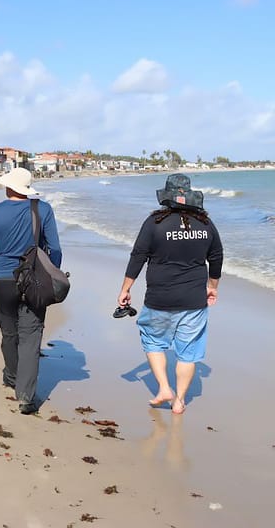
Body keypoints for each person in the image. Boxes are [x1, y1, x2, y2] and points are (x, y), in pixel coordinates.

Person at [117, 173, 223, 414]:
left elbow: (138, 256)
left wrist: (125, 288)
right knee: (188, 351)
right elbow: (216, 257)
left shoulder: (154, 222)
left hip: (160, 299)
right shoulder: (205, 223)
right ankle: (179, 401)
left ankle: (165, 388)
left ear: (166, 196)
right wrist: (213, 286)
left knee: (153, 340)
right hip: (194, 300)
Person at [0, 167, 62, 414]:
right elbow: (55, 250)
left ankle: (11, 376)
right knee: (31, 339)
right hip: (34, 282)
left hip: (3, 281)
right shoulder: (43, 210)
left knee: (9, 333)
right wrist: (49, 277)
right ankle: (25, 397)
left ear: (8, 187)